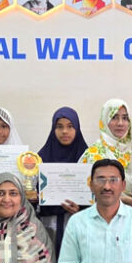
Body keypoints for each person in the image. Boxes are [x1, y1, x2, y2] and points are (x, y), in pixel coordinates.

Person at [37, 106, 88, 253]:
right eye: (59, 126)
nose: (65, 131)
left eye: (70, 126)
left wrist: (81, 210)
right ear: (53, 129)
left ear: (77, 128)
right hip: (49, 224)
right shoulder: (41, 158)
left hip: (79, 224)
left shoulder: (88, 158)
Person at [80, 99, 132, 204]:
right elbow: (83, 194)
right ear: (105, 120)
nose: (120, 123)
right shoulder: (92, 155)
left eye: (125, 118)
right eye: (114, 117)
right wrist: (120, 201)